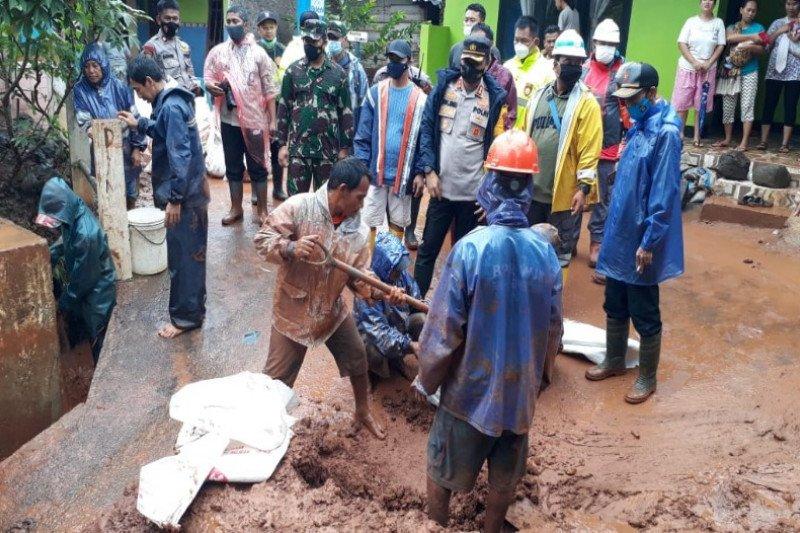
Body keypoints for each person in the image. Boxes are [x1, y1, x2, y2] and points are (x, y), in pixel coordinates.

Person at [417, 130, 563, 533]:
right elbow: (554, 329)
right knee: (505, 474)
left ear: (490, 184)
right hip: (518, 394)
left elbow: (444, 329)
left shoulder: (470, 249)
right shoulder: (545, 253)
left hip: (470, 391)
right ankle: (492, 529)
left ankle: (436, 526)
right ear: (529, 188)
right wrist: (540, 379)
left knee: (440, 462)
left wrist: (427, 378)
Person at [254, 157, 404, 440]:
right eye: (360, 197)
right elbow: (262, 239)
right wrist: (290, 247)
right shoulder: (300, 207)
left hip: (330, 312)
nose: (362, 205)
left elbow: (361, 278)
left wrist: (385, 293)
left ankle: (362, 412)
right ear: (343, 190)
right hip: (292, 314)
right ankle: (264, 433)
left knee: (358, 358)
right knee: (274, 383)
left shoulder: (357, 232)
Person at [586, 62, 684, 404]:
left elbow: (664, 192)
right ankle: (615, 359)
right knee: (615, 300)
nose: (626, 105)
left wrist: (650, 241)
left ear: (652, 94)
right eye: (623, 100)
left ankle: (647, 376)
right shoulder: (638, 126)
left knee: (643, 307)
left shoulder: (666, 134)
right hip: (620, 233)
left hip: (642, 235)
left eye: (633, 98)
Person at [119, 55, 209, 339]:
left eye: (138, 89)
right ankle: (194, 310)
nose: (139, 96)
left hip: (187, 196)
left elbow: (179, 155)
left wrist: (175, 198)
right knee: (191, 256)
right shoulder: (173, 102)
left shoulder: (170, 106)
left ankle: (185, 319)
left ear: (148, 82)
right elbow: (163, 131)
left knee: (184, 258)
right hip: (193, 193)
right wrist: (140, 123)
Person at [413, 35, 506, 297]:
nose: (469, 68)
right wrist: (428, 170)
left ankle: (459, 315)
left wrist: (489, 193)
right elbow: (427, 132)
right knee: (426, 252)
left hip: (472, 198)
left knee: (466, 259)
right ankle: (414, 309)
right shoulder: (444, 88)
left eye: (476, 63)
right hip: (441, 191)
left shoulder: (495, 99)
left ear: (487, 63)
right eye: (466, 61)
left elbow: (498, 150)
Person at [524, 30, 602, 279]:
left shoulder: (586, 103)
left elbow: (590, 149)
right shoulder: (538, 96)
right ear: (555, 63)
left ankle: (552, 309)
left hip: (564, 196)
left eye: (578, 62)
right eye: (567, 62)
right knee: (528, 249)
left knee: (559, 255)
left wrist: (584, 188)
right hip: (532, 192)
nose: (573, 67)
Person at [204, 5, 279, 225]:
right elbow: (208, 75)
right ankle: (236, 208)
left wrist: (273, 120)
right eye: (228, 21)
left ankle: (263, 211)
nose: (231, 25)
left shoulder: (258, 54)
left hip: (255, 120)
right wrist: (210, 86)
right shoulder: (218, 52)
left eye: (236, 21)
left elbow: (270, 89)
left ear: (245, 24)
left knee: (258, 166)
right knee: (233, 166)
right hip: (229, 120)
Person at [354, 39, 427, 247]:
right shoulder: (376, 93)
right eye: (390, 58)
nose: (393, 63)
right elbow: (363, 135)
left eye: (398, 59)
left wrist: (420, 172)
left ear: (409, 61)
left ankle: (389, 267)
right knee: (369, 220)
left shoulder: (421, 99)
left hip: (402, 176)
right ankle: (368, 267)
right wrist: (362, 169)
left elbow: (424, 141)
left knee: (398, 223)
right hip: (375, 173)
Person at [36, 177, 117, 363]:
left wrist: (64, 302)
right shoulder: (73, 213)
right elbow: (64, 242)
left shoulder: (86, 235)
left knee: (98, 335)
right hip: (88, 281)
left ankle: (101, 372)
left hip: (98, 293)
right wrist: (47, 257)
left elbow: (84, 280)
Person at [276, 19, 354, 195]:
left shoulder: (338, 74)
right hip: (299, 150)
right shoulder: (293, 71)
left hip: (328, 152)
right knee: (296, 204)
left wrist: (344, 148)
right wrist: (281, 145)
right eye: (306, 41)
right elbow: (283, 109)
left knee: (326, 204)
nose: (309, 45)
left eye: (314, 41)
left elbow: (346, 113)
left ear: (324, 41)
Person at [581, 19, 630, 283]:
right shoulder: (583, 68)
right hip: (582, 142)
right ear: (594, 43)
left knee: (603, 198)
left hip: (609, 144)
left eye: (612, 44)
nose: (607, 48)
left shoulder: (625, 71)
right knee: (574, 192)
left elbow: (629, 109)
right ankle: (566, 241)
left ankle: (597, 243)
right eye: (603, 43)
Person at [74, 42, 147, 210]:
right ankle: (112, 227)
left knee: (130, 191)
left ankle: (130, 221)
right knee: (107, 190)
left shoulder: (120, 87)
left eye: (95, 65)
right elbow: (84, 119)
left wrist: (137, 148)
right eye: (86, 66)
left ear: (103, 65)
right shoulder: (81, 90)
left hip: (126, 145)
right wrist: (92, 130)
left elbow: (133, 117)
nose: (91, 71)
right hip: (101, 147)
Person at [354, 232, 425, 378]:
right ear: (384, 265)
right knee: (373, 352)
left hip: (398, 327)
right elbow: (380, 333)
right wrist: (410, 345)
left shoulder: (401, 276)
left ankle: (400, 357)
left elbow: (418, 301)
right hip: (375, 336)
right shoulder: (366, 287)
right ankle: (376, 372)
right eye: (395, 269)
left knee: (422, 320)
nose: (400, 272)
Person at [673, 0, 726, 147]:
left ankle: (697, 136)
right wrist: (694, 62)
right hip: (688, 67)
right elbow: (682, 43)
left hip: (708, 69)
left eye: (711, 0)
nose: (707, 2)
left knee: (700, 104)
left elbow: (721, 45)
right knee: (682, 103)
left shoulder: (718, 23)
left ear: (714, 4)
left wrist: (709, 63)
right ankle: (680, 134)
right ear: (700, 2)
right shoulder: (691, 22)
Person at [713, 1, 765, 152]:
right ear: (741, 10)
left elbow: (762, 50)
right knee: (728, 105)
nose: (750, 13)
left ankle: (744, 142)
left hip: (750, 71)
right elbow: (729, 39)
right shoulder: (731, 27)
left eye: (753, 11)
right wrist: (753, 37)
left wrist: (749, 45)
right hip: (731, 71)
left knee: (747, 106)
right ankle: (728, 138)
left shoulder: (759, 28)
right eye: (748, 10)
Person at [757, 0, 800, 152]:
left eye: (794, 4)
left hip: (795, 73)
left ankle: (785, 144)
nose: (790, 7)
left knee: (790, 106)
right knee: (769, 104)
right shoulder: (777, 23)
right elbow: (766, 43)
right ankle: (763, 141)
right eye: (788, 4)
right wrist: (780, 31)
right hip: (774, 71)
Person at [256, 10, 289, 202]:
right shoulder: (254, 49)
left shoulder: (283, 50)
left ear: (276, 28)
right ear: (259, 29)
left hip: (278, 108)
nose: (269, 31)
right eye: (265, 27)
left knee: (278, 146)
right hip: (257, 107)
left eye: (271, 27)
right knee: (257, 150)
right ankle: (256, 191)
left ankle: (277, 188)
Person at [504, 16, 556, 128]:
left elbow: (548, 111)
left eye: (524, 41)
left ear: (536, 41)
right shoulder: (507, 67)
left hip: (528, 140)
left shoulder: (547, 71)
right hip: (504, 138)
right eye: (516, 40)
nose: (519, 44)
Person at [142, 0, 201, 95]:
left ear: (179, 21)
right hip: (168, 101)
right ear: (158, 20)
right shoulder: (151, 47)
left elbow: (190, 73)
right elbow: (149, 82)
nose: (172, 22)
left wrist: (196, 86)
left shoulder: (184, 46)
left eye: (175, 19)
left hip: (188, 98)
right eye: (167, 18)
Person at [470, 23, 517, 132]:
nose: (476, 46)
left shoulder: (504, 76)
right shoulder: (464, 71)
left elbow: (511, 113)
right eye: (472, 41)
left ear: (491, 44)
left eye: (481, 41)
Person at [327, 20, 369, 133]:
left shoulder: (356, 70)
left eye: (336, 38)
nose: (332, 42)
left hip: (348, 132)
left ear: (345, 40)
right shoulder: (321, 65)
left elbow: (364, 103)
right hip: (325, 135)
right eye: (329, 38)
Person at [447, 3, 501, 70]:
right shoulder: (455, 48)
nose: (468, 23)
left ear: (482, 23)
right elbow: (450, 76)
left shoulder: (491, 50)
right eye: (466, 20)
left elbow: (497, 75)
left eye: (472, 20)